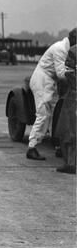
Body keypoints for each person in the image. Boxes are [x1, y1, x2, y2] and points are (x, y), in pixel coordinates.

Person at [26, 28, 77, 160]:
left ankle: (59, 146)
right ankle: (32, 148)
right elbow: (61, 73)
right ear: (74, 39)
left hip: (47, 81)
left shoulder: (66, 48)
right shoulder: (60, 49)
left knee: (47, 115)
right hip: (42, 80)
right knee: (43, 115)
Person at [55, 43, 76, 173]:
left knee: (69, 132)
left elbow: (67, 75)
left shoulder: (73, 51)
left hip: (73, 98)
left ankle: (71, 163)